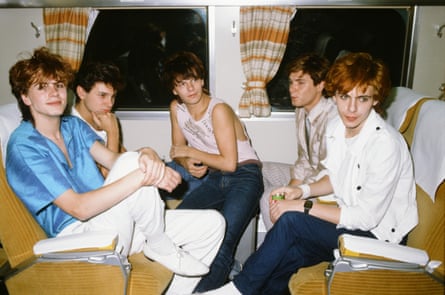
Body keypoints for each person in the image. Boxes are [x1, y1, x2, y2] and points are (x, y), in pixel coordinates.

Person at [6, 47, 225, 295]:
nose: (54, 92)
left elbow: (114, 161)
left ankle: (171, 280)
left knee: (213, 224)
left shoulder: (72, 126)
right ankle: (158, 243)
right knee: (134, 164)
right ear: (25, 97)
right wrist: (143, 171)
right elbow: (79, 208)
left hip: (113, 221)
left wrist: (148, 154)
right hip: (77, 236)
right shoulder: (24, 146)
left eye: (57, 84)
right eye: (42, 87)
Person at [199, 52, 418, 295]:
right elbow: (337, 179)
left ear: (376, 99)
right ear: (334, 94)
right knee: (288, 257)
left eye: (363, 98)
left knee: (292, 221)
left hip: (379, 238)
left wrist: (302, 205)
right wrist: (299, 190)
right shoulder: (338, 127)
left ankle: (235, 290)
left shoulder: (385, 144)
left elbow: (366, 219)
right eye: (345, 97)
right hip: (350, 222)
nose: (352, 108)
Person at [161, 51, 264, 292]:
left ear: (202, 80)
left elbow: (229, 163)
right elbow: (178, 150)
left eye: (194, 79)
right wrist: (187, 164)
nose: (191, 87)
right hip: (216, 177)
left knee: (224, 241)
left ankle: (202, 290)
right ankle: (172, 283)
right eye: (182, 84)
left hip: (245, 175)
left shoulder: (218, 110)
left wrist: (193, 155)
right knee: (177, 225)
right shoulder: (177, 109)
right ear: (174, 90)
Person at [260, 53, 337, 231]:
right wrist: (291, 188)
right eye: (291, 82)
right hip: (308, 177)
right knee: (258, 169)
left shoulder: (334, 119)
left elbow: (333, 176)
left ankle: (278, 244)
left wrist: (295, 193)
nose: (292, 89)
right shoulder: (301, 111)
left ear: (320, 85)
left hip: (325, 190)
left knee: (269, 197)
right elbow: (303, 159)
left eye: (300, 83)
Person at [72, 61, 126, 177]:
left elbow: (125, 159)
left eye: (113, 97)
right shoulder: (70, 127)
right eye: (102, 95)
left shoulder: (101, 118)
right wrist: (113, 133)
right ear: (81, 93)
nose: (110, 104)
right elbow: (107, 178)